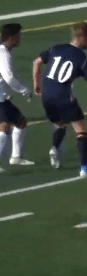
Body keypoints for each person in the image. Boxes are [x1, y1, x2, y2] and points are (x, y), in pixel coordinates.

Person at [32, 22, 87, 176]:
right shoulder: (82, 58)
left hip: (47, 96)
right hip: (63, 96)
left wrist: (36, 84)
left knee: (61, 124)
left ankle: (55, 147)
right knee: (80, 129)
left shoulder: (55, 48)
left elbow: (36, 62)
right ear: (80, 37)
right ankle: (85, 167)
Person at [0, 23, 33, 169]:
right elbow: (9, 78)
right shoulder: (3, 54)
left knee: (20, 122)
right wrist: (23, 90)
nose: (20, 39)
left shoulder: (5, 51)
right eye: (18, 36)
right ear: (11, 37)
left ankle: (16, 157)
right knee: (4, 127)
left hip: (2, 96)